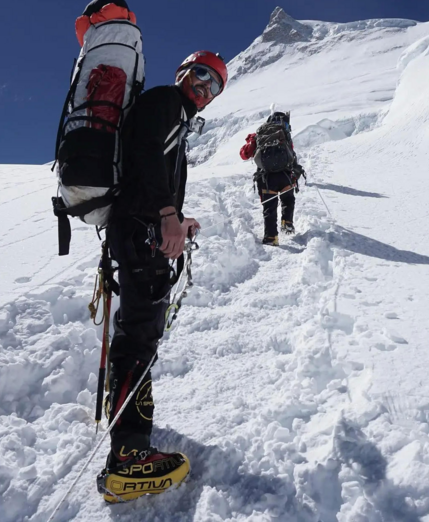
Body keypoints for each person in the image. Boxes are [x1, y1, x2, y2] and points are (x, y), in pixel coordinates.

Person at [97, 51, 228, 502]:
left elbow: (148, 172)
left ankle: (125, 427)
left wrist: (176, 217)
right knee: (139, 337)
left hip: (139, 228)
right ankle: (128, 457)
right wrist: (167, 213)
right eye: (201, 75)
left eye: (214, 86)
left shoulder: (175, 116)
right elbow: (145, 151)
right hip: (141, 231)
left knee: (137, 333)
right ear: (183, 74)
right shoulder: (166, 103)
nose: (205, 87)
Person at [240, 111, 304, 245]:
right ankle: (287, 221)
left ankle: (271, 237)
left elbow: (244, 154)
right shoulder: (284, 135)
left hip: (266, 177)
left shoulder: (259, 135)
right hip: (285, 175)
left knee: (269, 207)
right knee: (288, 199)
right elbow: (291, 155)